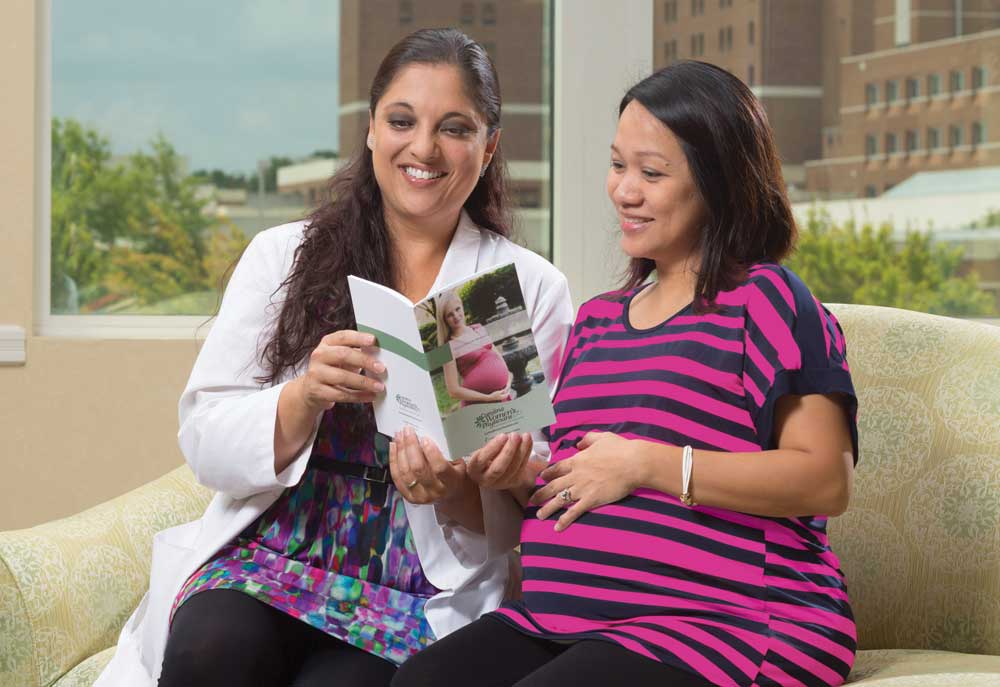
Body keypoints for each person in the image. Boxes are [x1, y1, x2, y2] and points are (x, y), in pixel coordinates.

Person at [95, 28, 573, 687]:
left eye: (454, 128)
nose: (424, 148)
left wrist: (467, 484)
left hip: (411, 588)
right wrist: (304, 395)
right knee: (211, 652)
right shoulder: (281, 256)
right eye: (401, 120)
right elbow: (204, 440)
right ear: (373, 130)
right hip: (268, 556)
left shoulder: (527, 287)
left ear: (489, 146)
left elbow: (535, 497)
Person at [394, 61, 859, 687]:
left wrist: (648, 463)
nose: (624, 191)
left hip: (727, 624)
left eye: (652, 172)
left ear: (719, 183)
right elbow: (580, 478)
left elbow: (825, 477)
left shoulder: (767, 299)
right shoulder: (596, 321)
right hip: (562, 620)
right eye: (618, 165)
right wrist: (511, 470)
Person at [436, 289, 513, 408]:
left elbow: (498, 356)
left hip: (502, 395)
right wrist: (488, 398)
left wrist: (508, 381)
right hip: (479, 405)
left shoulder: (478, 328)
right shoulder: (447, 348)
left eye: (457, 309)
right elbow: (453, 391)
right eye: (450, 315)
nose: (456, 316)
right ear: (444, 319)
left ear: (462, 307)